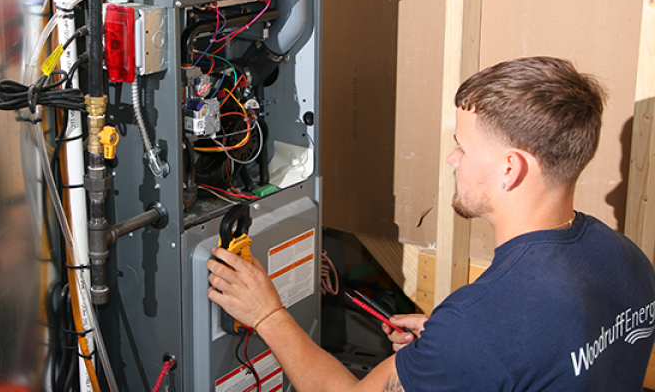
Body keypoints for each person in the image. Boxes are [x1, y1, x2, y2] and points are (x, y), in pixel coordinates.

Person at [207, 56, 655, 391]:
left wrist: (266, 314)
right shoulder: (628, 259)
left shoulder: (478, 327)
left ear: (510, 168)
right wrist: (450, 351)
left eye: (462, 146)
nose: (452, 158)